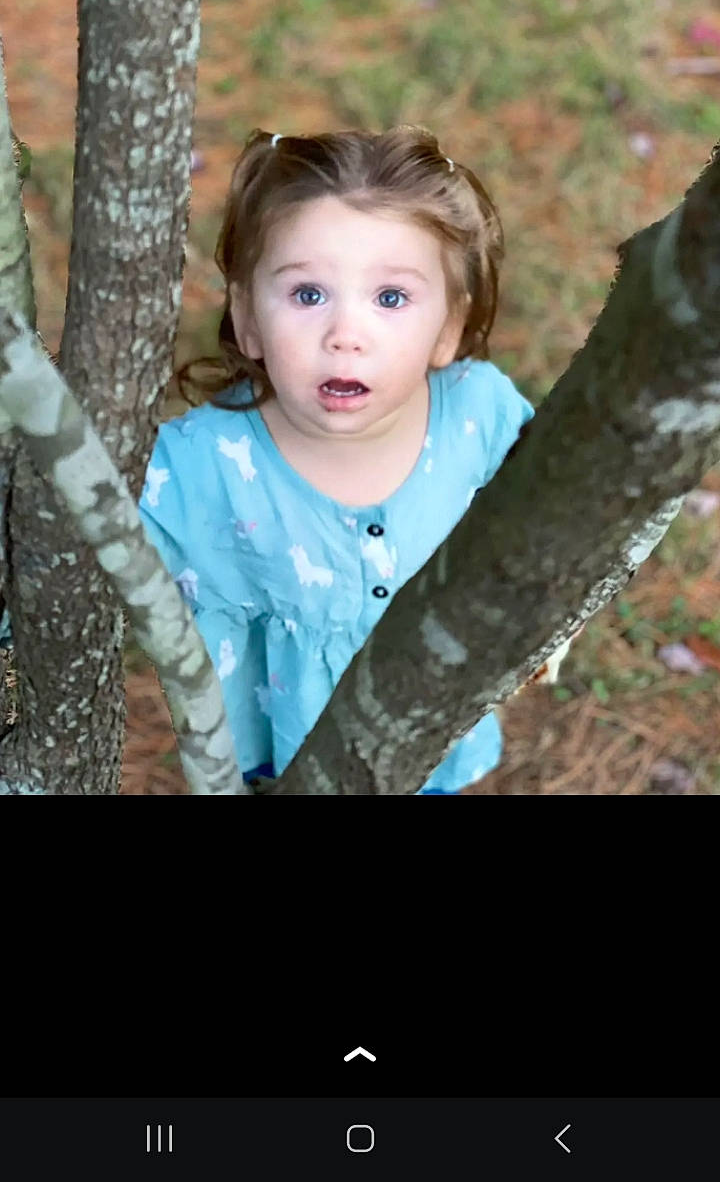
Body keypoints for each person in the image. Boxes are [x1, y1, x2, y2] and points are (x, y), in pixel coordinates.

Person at [138, 124, 539, 794]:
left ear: (448, 328)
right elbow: (70, 560)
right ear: (248, 318)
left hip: (431, 736)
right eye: (308, 294)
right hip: (290, 756)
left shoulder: (479, 415)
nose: (346, 335)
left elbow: (548, 526)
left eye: (390, 298)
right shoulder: (198, 465)